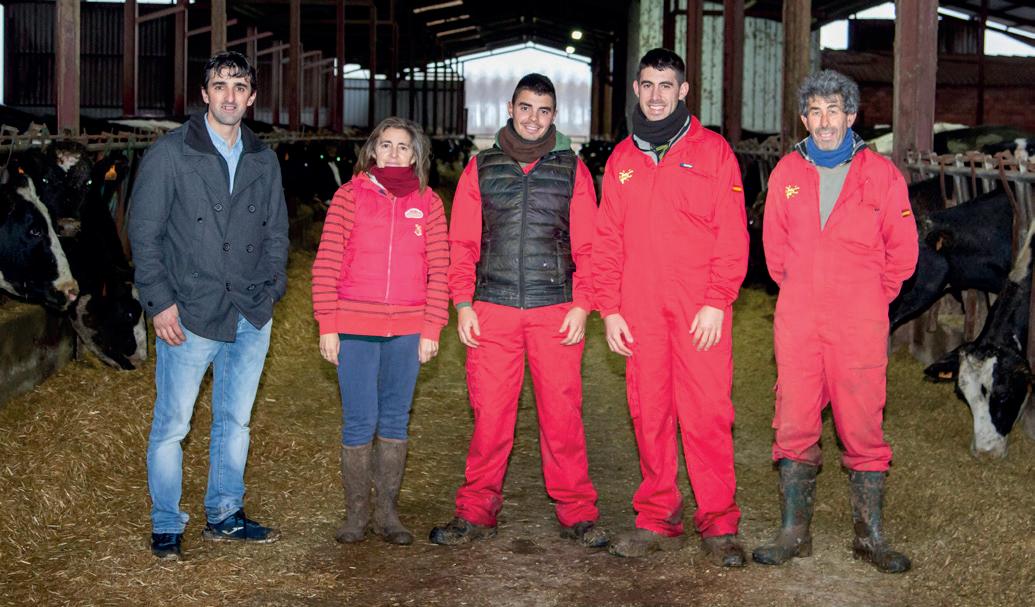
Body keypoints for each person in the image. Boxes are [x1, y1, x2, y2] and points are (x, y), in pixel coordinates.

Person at [428, 73, 607, 549]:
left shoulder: (572, 169)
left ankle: (577, 511)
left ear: (554, 116)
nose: (533, 119)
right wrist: (463, 303)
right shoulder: (480, 167)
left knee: (562, 416)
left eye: (543, 111)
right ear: (510, 108)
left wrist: (583, 304)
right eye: (525, 108)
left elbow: (589, 245)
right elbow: (462, 242)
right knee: (491, 417)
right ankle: (475, 509)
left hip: (556, 308)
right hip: (493, 307)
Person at [128, 50, 289, 561]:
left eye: (239, 86)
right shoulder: (171, 153)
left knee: (235, 421)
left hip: (249, 311)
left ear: (252, 97)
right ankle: (166, 523)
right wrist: (159, 304)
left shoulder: (263, 158)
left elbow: (277, 230)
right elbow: (144, 233)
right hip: (189, 313)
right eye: (220, 85)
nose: (229, 96)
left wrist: (272, 287)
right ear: (204, 94)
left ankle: (224, 514)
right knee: (173, 426)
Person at [592, 48, 749, 566]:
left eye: (666, 86)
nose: (655, 95)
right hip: (640, 309)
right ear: (636, 89)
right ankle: (658, 516)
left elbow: (732, 232)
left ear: (683, 91)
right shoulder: (622, 159)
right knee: (649, 412)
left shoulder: (714, 152)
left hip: (699, 309)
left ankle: (718, 522)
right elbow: (606, 239)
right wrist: (610, 308)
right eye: (647, 85)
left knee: (707, 413)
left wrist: (717, 300)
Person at [756, 69, 917, 573]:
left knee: (864, 423)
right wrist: (804, 291)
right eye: (815, 112)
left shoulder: (882, 175)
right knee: (794, 419)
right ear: (804, 119)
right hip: (799, 320)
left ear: (851, 116)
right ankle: (793, 533)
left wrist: (870, 298)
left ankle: (870, 538)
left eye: (834, 111)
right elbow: (774, 251)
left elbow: (904, 252)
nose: (825, 122)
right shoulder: (786, 173)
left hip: (858, 322)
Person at [311, 117, 448, 546]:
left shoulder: (429, 203)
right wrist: (328, 324)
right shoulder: (348, 197)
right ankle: (356, 513)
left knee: (394, 418)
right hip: (354, 325)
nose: (393, 153)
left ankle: (387, 512)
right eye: (385, 145)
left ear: (415, 155)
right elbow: (327, 262)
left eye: (402, 147)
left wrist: (432, 326)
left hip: (408, 327)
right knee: (358, 420)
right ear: (372, 150)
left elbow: (440, 269)